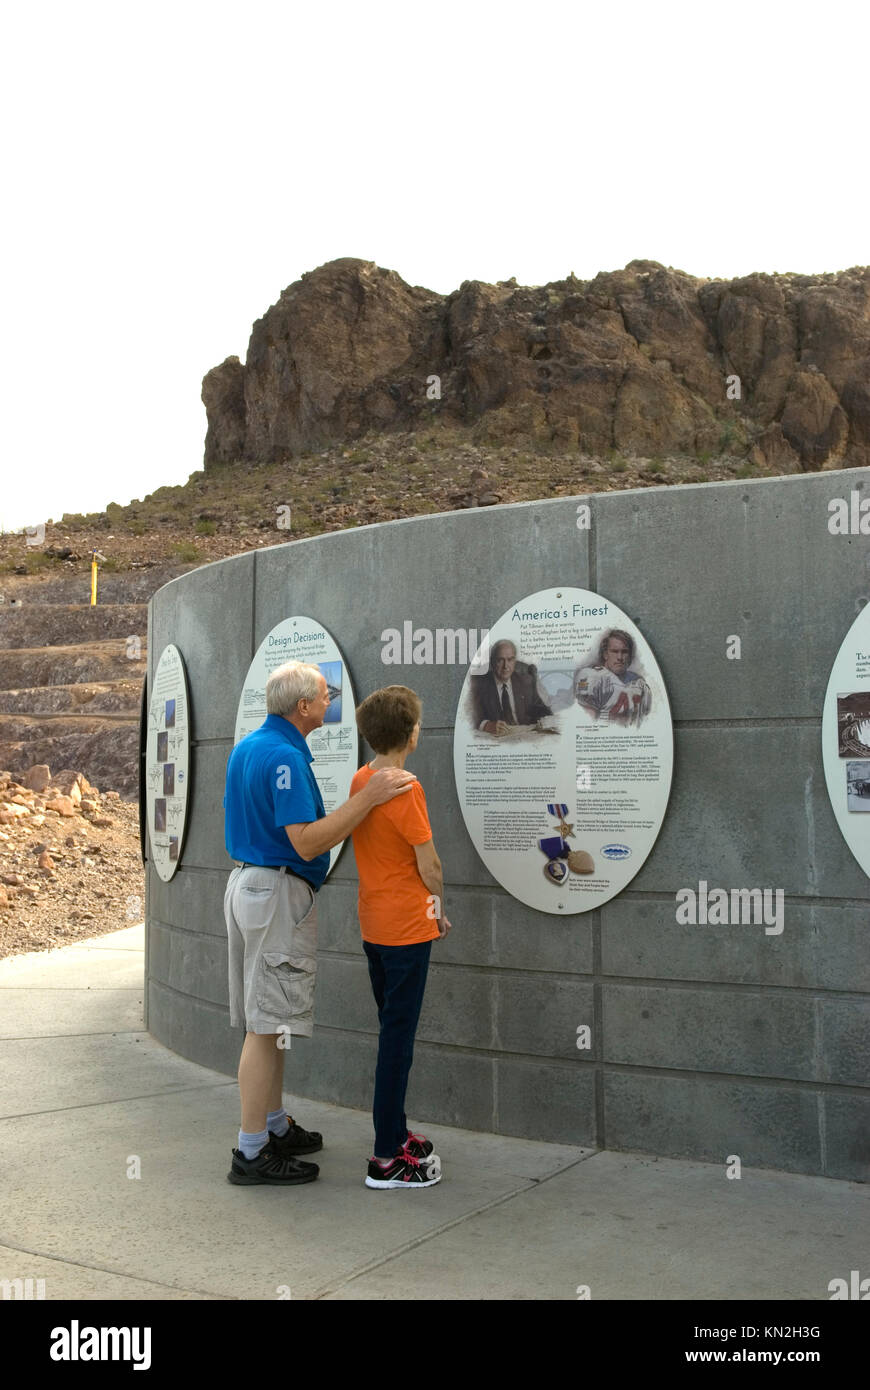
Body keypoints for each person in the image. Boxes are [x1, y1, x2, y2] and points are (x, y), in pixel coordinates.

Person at [223, 660, 416, 1187]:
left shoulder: (251, 747)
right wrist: (367, 799)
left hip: (250, 885)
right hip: (276, 891)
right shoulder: (284, 756)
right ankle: (251, 1150)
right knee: (266, 1027)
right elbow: (306, 840)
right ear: (303, 706)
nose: (331, 699)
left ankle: (273, 1124)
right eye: (324, 694)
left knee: (272, 1018)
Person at [350, 685, 451, 1189]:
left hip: (375, 927)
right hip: (408, 930)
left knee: (392, 1034)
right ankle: (386, 1158)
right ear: (411, 734)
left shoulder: (362, 780)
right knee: (398, 1042)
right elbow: (428, 864)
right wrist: (439, 906)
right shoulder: (406, 787)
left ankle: (394, 1130)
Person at [471, 639, 552, 734]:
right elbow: (471, 717)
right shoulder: (478, 685)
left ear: (515, 661)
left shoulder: (526, 682)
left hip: (525, 736)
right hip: (496, 740)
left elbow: (542, 710)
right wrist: (486, 725)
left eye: (510, 659)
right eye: (500, 660)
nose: (506, 666)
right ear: (492, 662)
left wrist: (546, 719)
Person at [574, 630, 651, 726]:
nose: (620, 657)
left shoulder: (639, 682)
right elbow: (587, 720)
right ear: (605, 654)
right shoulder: (592, 676)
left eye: (624, 652)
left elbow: (647, 720)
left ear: (630, 655)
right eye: (615, 651)